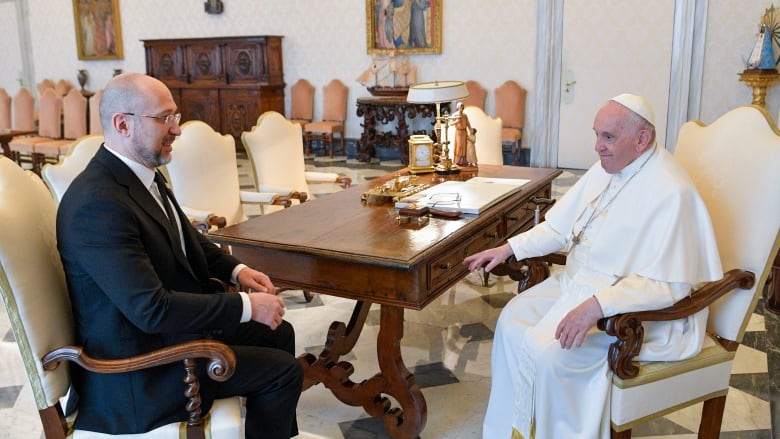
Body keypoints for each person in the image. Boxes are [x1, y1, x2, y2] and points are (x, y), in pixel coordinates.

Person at [56, 72, 303, 439]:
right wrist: (247, 306)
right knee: (283, 372)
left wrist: (238, 271)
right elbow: (151, 310)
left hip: (166, 337)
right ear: (123, 124)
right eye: (164, 118)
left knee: (279, 332)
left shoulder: (142, 174)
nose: (177, 129)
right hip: (138, 375)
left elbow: (188, 240)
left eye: (176, 116)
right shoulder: (98, 204)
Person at [463, 94, 723, 438]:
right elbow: (559, 227)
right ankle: (512, 431)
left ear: (642, 139)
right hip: (579, 284)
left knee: (554, 354)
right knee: (512, 323)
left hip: (636, 313)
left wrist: (596, 308)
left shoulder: (672, 192)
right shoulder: (608, 168)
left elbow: (670, 287)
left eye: (608, 137)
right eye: (596, 134)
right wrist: (509, 247)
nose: (597, 147)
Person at [449, 102, 473, 167]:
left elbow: (467, 123)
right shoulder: (455, 115)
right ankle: (457, 161)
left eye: (462, 108)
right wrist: (456, 121)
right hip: (458, 132)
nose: (461, 109)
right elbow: (450, 123)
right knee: (459, 146)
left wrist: (470, 129)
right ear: (457, 108)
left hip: (464, 132)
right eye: (460, 108)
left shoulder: (465, 115)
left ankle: (464, 161)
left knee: (464, 146)